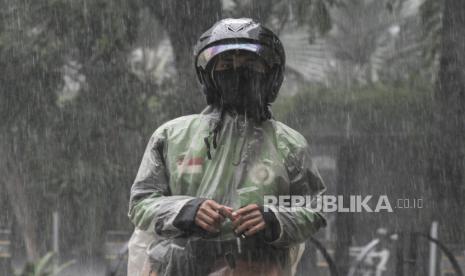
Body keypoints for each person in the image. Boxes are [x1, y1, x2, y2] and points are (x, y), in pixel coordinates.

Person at [127, 18, 327, 276]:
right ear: (209, 75)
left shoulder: (288, 144)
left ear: (270, 74)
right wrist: (187, 211)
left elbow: (317, 207)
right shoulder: (171, 136)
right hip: (177, 269)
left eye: (249, 63)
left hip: (256, 268)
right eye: (226, 64)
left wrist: (272, 219)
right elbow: (140, 204)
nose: (237, 71)